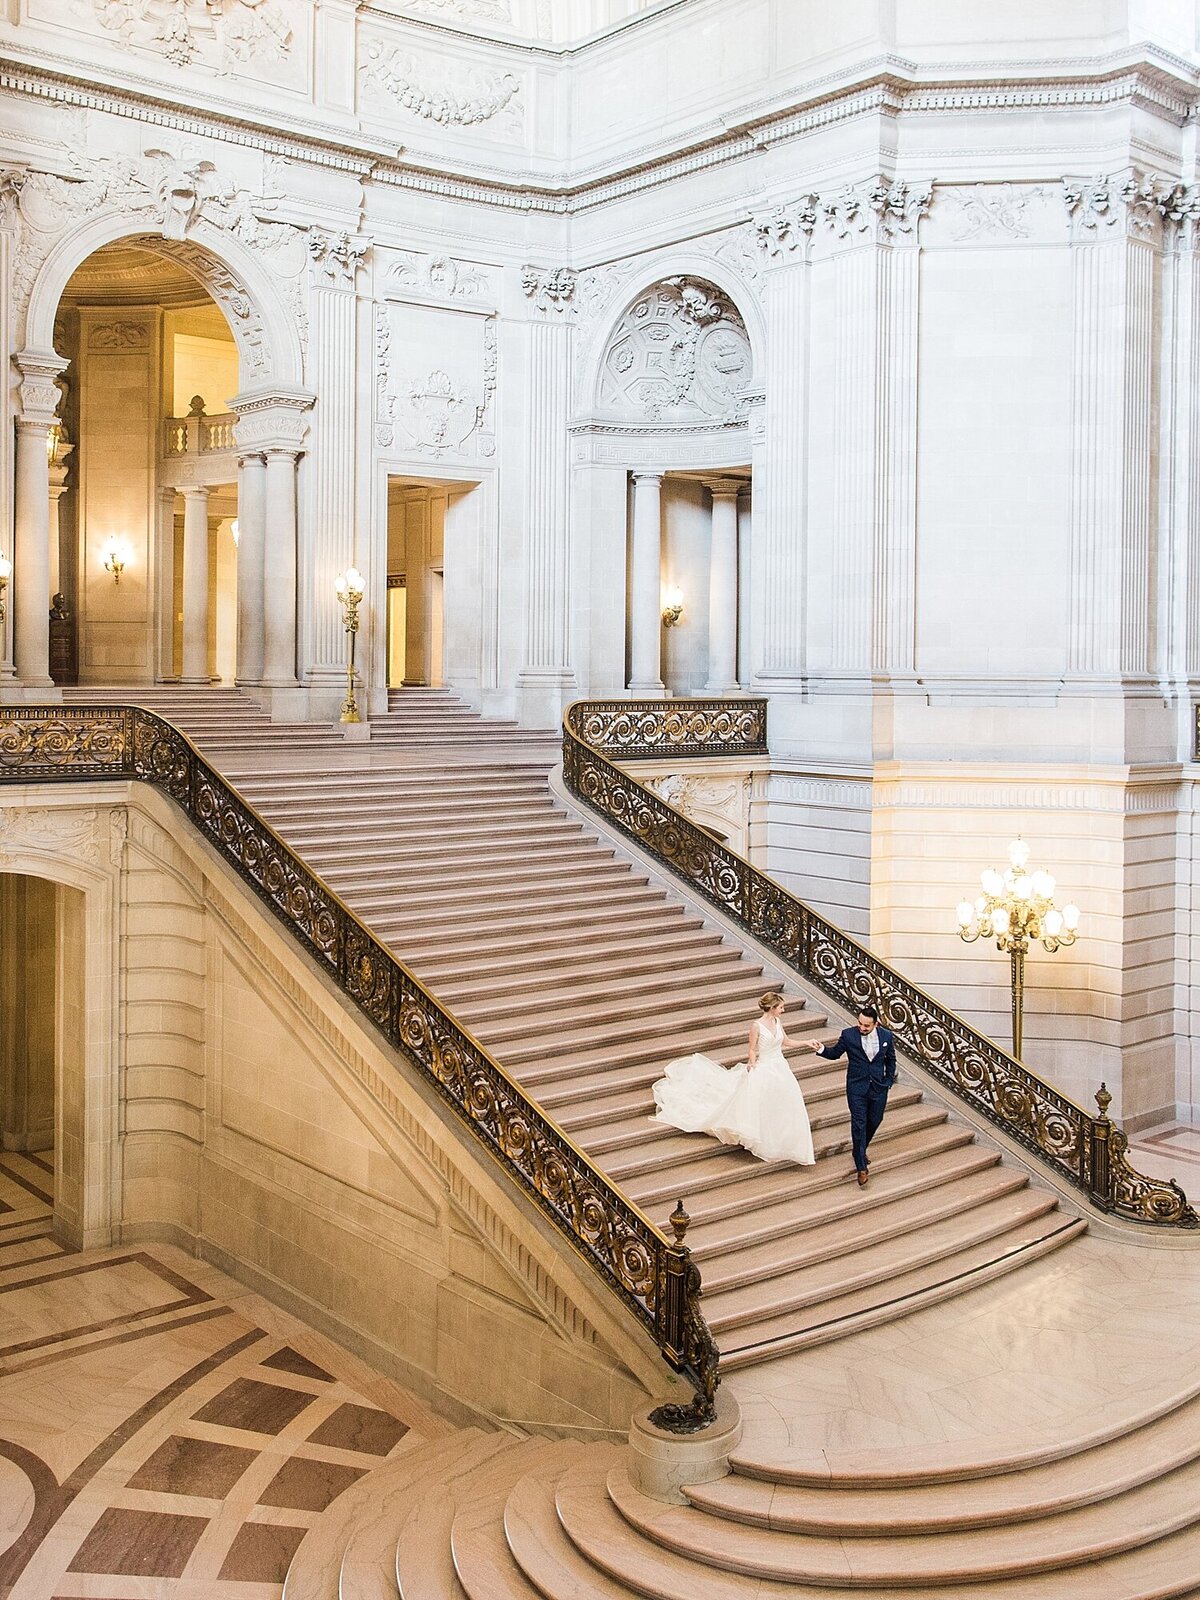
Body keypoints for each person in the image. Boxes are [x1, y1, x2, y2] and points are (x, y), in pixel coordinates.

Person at [651, 991, 816, 1166]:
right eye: (781, 1007)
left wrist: (806, 1043)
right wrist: (752, 1063)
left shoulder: (777, 1021)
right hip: (765, 1066)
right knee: (758, 1101)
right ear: (772, 1008)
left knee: (783, 1101)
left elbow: (786, 1042)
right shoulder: (757, 1026)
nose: (783, 1010)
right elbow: (752, 1049)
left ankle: (780, 1137)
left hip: (780, 1067)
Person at [800, 1004, 896, 1187]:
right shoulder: (848, 1035)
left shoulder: (886, 1037)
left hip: (878, 1088)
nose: (862, 1027)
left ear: (876, 1024)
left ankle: (859, 1150)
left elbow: (890, 1060)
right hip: (856, 1088)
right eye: (860, 1023)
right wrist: (821, 1049)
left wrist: (888, 1081)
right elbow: (835, 1054)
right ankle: (861, 1166)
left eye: (866, 1025)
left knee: (875, 1120)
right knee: (859, 1123)